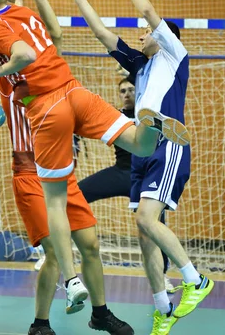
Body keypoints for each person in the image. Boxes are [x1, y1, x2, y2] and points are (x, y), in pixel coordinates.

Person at [0, 0, 190, 325]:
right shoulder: (24, 19)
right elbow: (52, 35)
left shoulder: (5, 56)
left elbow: (20, 54)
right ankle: (154, 123)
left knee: (69, 220)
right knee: (140, 144)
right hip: (71, 94)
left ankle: (76, 287)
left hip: (49, 120)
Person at [54, 0, 213, 334]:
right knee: (144, 233)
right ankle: (162, 308)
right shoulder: (139, 66)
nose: (142, 34)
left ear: (165, 37)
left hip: (167, 144)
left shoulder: (174, 56)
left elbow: (147, 10)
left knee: (145, 220)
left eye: (147, 32)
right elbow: (101, 33)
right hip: (143, 152)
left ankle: (196, 280)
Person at [77, 76, 180, 294]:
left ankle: (162, 276)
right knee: (75, 194)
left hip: (145, 179)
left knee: (153, 224)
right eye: (122, 90)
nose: (126, 94)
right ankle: (57, 253)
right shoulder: (115, 116)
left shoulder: (150, 116)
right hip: (121, 172)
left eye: (131, 89)